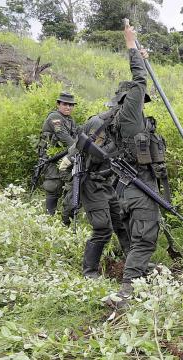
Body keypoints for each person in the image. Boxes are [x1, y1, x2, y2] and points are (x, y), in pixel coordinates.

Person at [102, 22, 166, 310]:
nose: (143, 102)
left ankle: (136, 274)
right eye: (140, 99)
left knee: (133, 239)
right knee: (145, 240)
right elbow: (140, 80)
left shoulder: (117, 119)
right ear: (130, 100)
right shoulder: (129, 116)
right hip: (139, 190)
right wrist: (131, 46)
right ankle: (126, 291)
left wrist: (142, 55)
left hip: (124, 190)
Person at [75, 99, 131, 278]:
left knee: (120, 222)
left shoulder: (118, 128)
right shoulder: (99, 124)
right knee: (102, 227)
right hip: (91, 182)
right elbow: (95, 155)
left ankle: (132, 263)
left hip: (105, 181)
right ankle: (89, 272)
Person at [37, 91, 79, 218]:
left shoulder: (69, 120)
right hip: (51, 158)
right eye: (65, 104)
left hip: (64, 157)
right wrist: (79, 148)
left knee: (67, 183)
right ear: (58, 104)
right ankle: (50, 216)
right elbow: (65, 138)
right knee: (53, 185)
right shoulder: (54, 118)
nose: (68, 107)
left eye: (71, 105)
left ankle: (64, 215)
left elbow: (75, 137)